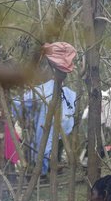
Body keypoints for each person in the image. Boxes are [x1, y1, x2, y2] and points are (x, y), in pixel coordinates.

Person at [10, 42, 78, 175]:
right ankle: (45, 171)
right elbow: (18, 102)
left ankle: (45, 172)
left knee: (47, 150)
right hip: (52, 131)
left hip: (51, 131)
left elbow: (17, 103)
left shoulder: (56, 92)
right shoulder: (52, 91)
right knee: (48, 149)